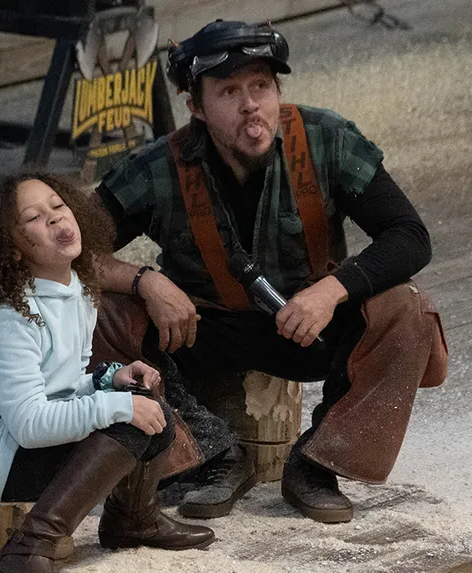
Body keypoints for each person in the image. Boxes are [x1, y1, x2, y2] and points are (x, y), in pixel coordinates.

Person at [92, 19, 448, 524]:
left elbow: (409, 235)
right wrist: (144, 280)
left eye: (261, 86)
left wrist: (330, 292)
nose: (250, 105)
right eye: (229, 91)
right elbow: (70, 251)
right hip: (199, 335)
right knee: (102, 311)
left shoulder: (328, 140)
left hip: (311, 330)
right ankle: (209, 455)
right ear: (195, 107)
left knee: (408, 305)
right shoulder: (155, 167)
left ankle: (316, 463)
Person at [0, 171, 215, 573]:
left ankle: (132, 522)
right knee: (127, 420)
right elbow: (30, 424)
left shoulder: (77, 288)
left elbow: (62, 387)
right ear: (13, 250)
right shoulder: (9, 315)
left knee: (151, 413)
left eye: (58, 206)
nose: (56, 218)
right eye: (34, 218)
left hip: (15, 442)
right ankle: (28, 546)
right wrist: (116, 407)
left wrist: (109, 380)